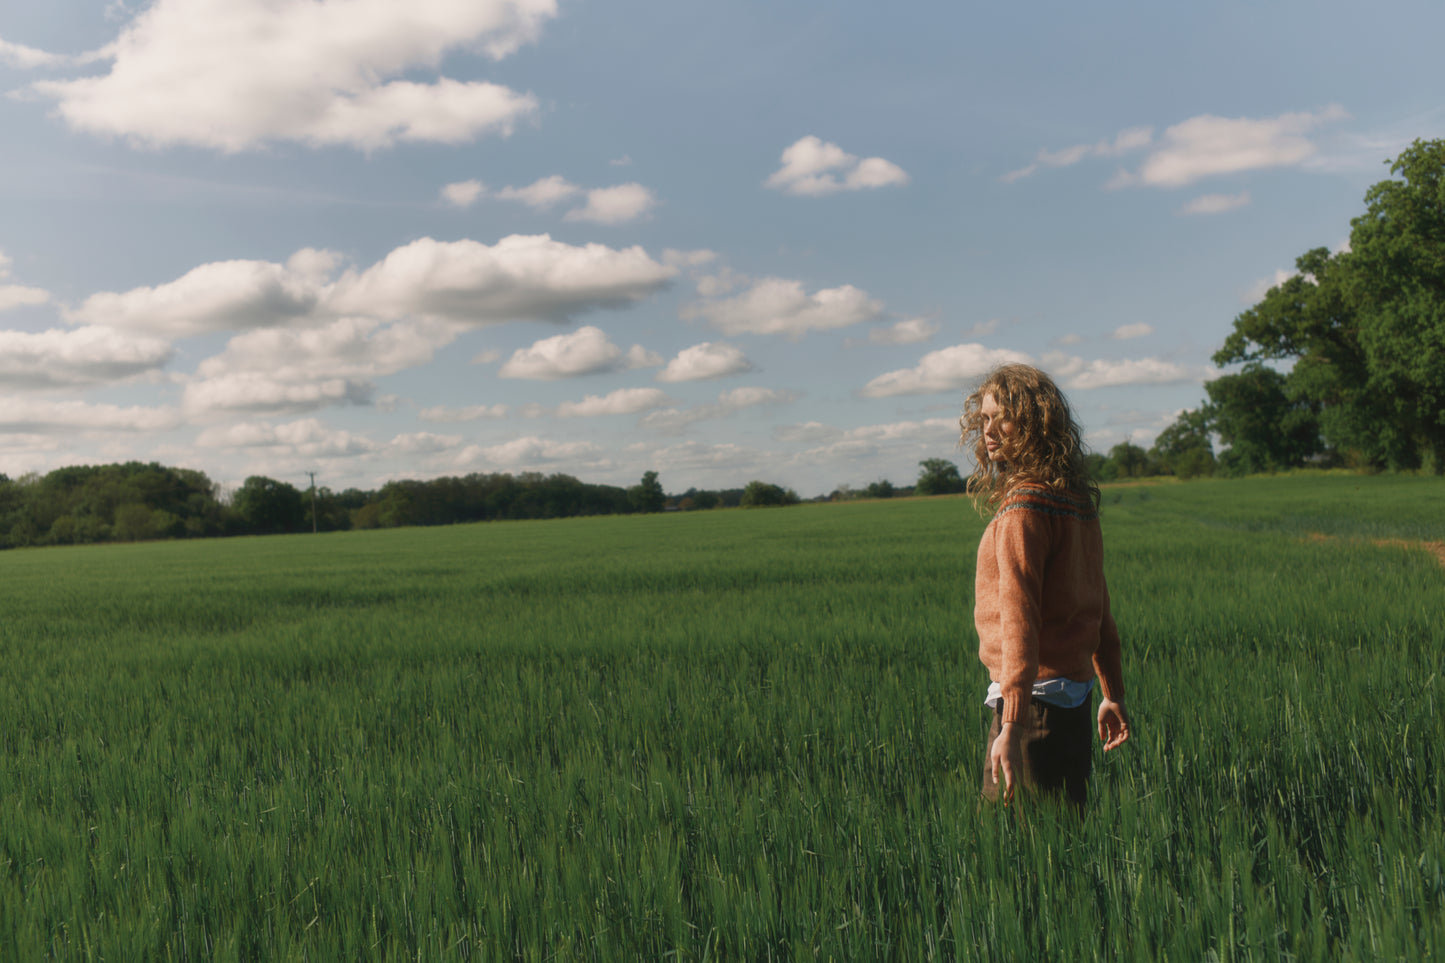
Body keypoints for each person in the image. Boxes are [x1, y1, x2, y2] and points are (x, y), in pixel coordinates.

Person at [961, 363, 1130, 809]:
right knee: (1065, 849)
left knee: (1011, 858)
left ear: (1036, 424)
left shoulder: (1022, 508)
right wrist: (1112, 692)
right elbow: (1098, 609)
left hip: (1030, 710)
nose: (989, 430)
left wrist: (1011, 725)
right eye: (984, 419)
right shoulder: (1075, 504)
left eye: (1004, 416)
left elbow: (1019, 620)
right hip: (1073, 704)